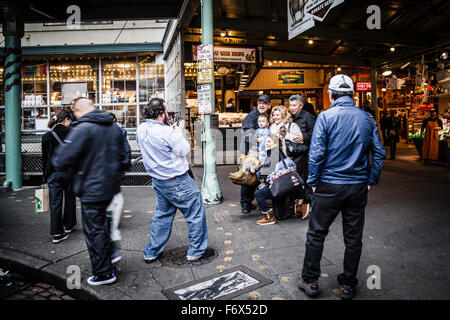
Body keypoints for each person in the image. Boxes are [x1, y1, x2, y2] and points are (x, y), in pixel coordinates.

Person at [298, 74, 385, 300]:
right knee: (353, 237)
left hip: (328, 184)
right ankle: (348, 284)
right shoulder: (367, 119)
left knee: (317, 234)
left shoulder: (325, 117)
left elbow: (316, 154)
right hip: (356, 186)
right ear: (353, 95)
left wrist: (313, 182)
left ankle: (310, 280)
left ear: (331, 94)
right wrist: (370, 180)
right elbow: (379, 153)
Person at [52, 97, 131, 286]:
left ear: (79, 110)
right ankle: (110, 253)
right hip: (110, 185)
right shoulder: (113, 127)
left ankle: (103, 273)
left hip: (91, 188)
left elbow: (62, 158)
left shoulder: (82, 128)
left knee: (94, 229)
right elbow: (123, 155)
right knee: (104, 224)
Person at [136, 97, 212, 263]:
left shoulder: (141, 129)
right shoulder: (168, 133)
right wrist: (178, 132)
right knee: (195, 213)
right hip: (177, 181)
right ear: (162, 114)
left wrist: (172, 133)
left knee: (162, 216)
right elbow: (183, 150)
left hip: (158, 181)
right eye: (166, 110)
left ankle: (152, 251)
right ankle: (196, 251)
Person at [42, 110, 76, 244]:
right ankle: (69, 224)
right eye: (70, 121)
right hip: (69, 173)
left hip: (53, 174)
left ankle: (57, 233)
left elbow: (44, 160)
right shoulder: (72, 134)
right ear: (66, 119)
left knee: (55, 203)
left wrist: (44, 178)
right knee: (70, 199)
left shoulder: (47, 136)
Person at [254, 134, 297, 225]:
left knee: (258, 194)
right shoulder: (278, 152)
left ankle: (268, 217)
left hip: (277, 186)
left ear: (276, 144)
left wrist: (258, 175)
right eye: (266, 142)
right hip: (284, 185)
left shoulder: (273, 153)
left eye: (269, 142)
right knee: (280, 215)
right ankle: (298, 209)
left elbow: (267, 172)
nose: (266, 143)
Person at [239, 94, 271, 214]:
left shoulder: (271, 115)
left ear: (269, 105)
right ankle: (245, 204)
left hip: (265, 152)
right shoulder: (252, 116)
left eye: (264, 103)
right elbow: (246, 131)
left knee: (261, 176)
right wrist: (256, 139)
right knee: (248, 178)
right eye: (259, 103)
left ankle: (260, 200)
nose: (261, 105)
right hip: (251, 151)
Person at [106, 113, 132, 251]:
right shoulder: (120, 131)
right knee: (116, 198)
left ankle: (108, 220)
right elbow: (126, 150)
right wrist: (126, 166)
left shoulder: (99, 132)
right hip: (116, 169)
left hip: (102, 171)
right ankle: (113, 224)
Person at [289, 94, 316, 219]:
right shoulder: (289, 118)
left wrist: (304, 137)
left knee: (305, 179)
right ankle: (296, 203)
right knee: (295, 179)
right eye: (290, 105)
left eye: (294, 105)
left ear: (301, 105)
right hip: (292, 154)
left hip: (306, 154)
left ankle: (306, 204)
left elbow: (316, 134)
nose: (292, 108)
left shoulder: (308, 117)